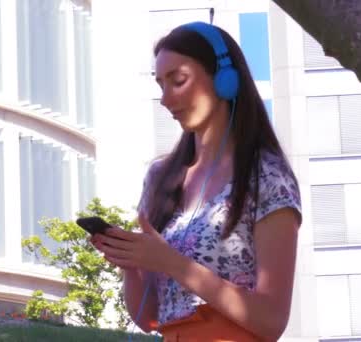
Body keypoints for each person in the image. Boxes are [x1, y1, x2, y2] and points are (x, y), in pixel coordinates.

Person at [91, 21, 302, 341]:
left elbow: (272, 320)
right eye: (160, 85)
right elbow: (148, 317)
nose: (165, 98)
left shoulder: (268, 177)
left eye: (178, 81)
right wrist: (131, 265)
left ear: (225, 80)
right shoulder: (160, 178)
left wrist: (172, 263)